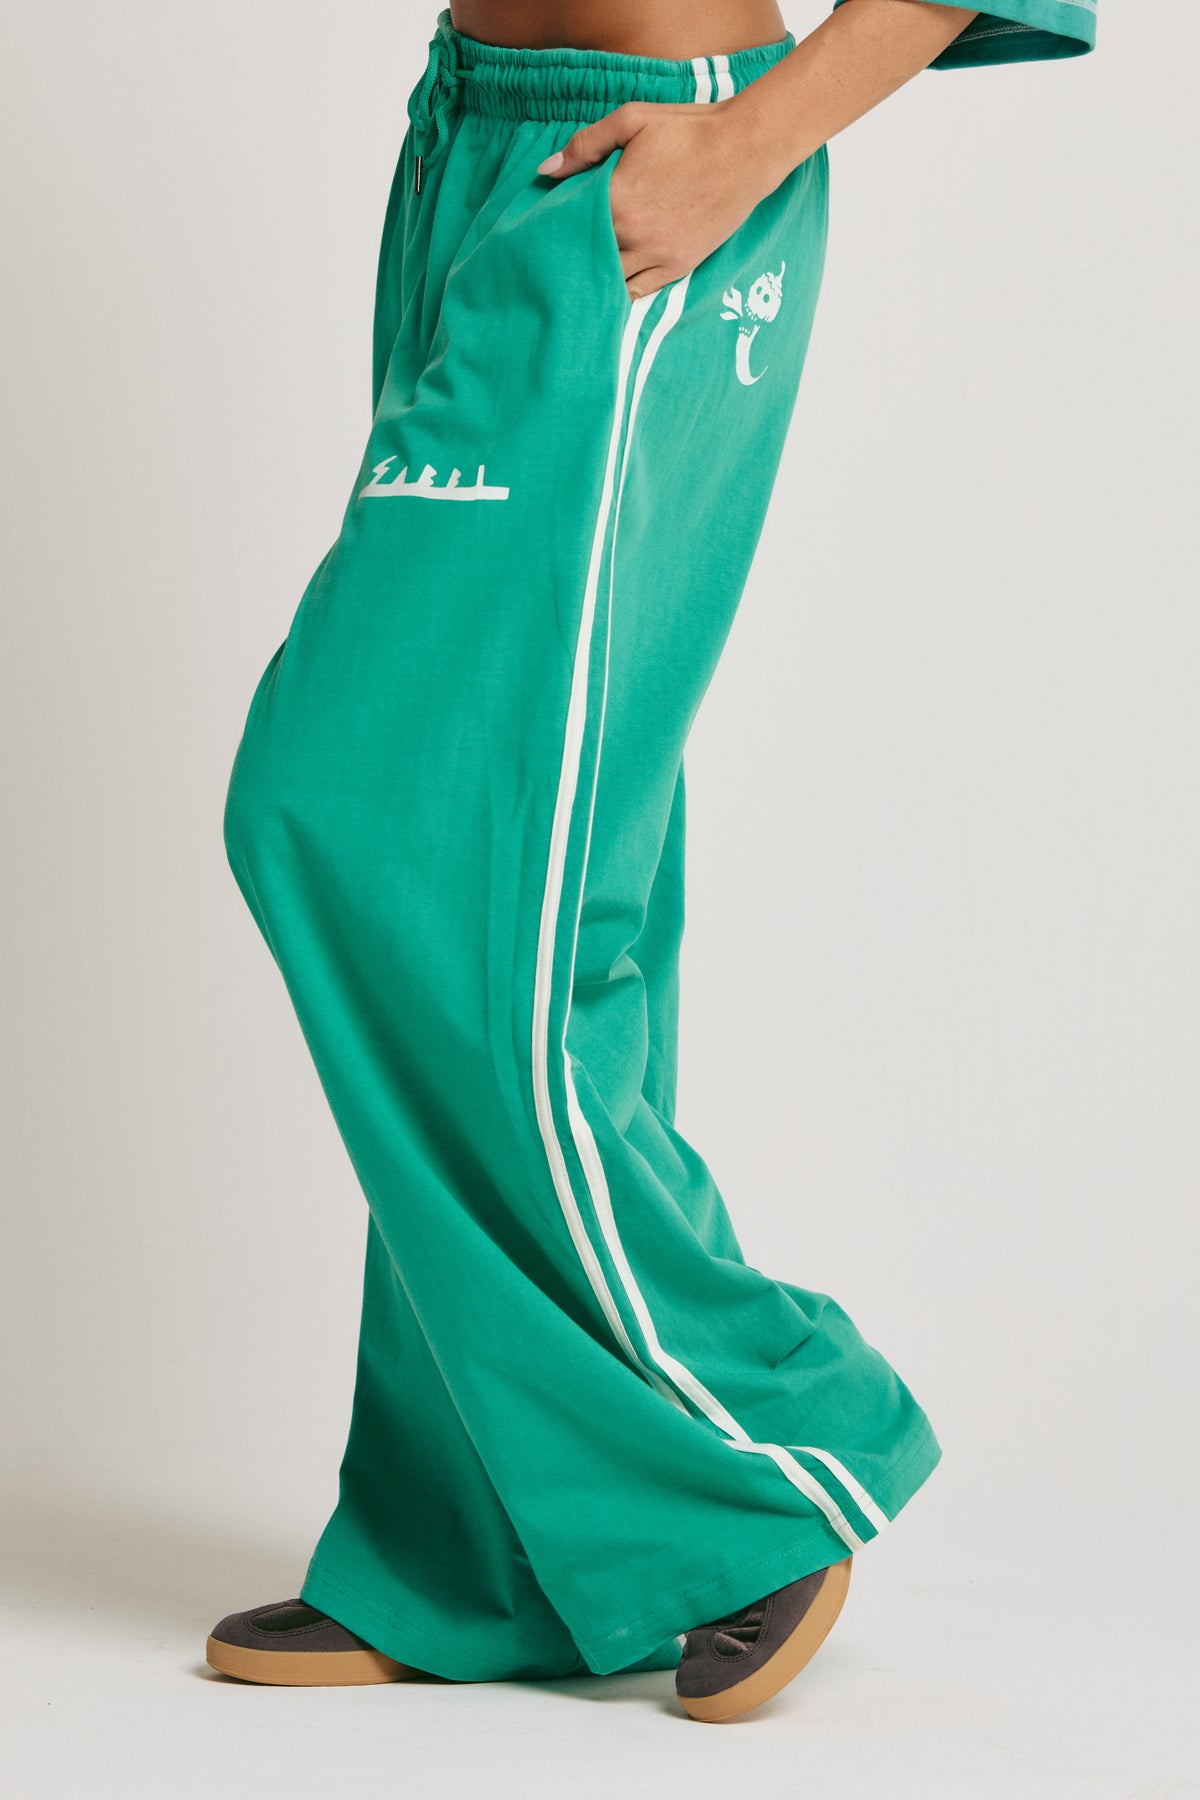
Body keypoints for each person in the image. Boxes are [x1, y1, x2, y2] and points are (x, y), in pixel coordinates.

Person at [208, 0, 1096, 1724]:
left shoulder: (695, 162)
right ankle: (483, 1551)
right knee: (522, 870)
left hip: (656, 165)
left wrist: (745, 145)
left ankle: (764, 1446)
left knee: (349, 815)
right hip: (478, 140)